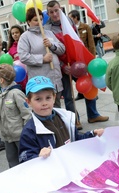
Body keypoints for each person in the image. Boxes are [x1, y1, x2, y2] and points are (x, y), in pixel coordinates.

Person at [44, 0, 109, 129]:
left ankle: (93, 115)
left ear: (60, 9)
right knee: (68, 95)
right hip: (64, 67)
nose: (54, 14)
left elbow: (77, 40)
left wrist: (82, 58)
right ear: (48, 13)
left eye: (56, 10)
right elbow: (52, 50)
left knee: (88, 87)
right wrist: (63, 66)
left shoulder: (68, 21)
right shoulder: (47, 28)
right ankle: (75, 120)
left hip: (78, 63)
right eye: (51, 12)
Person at [19, 76, 104, 163]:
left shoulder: (65, 118)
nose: (44, 103)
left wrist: (92, 134)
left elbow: (75, 138)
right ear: (28, 102)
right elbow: (24, 158)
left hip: (69, 165)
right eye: (38, 99)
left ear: (54, 97)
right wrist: (38, 156)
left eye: (48, 98)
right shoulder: (30, 130)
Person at [18, 8, 65, 108]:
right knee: (45, 109)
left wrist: (52, 45)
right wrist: (42, 59)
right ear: (28, 21)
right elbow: (23, 57)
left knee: (57, 108)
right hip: (41, 82)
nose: (39, 22)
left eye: (40, 19)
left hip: (55, 80)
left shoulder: (49, 33)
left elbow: (62, 49)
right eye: (36, 20)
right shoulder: (25, 37)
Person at [0, 64, 32, 168]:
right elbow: (1, 113)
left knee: (25, 160)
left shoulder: (16, 93)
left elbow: (27, 113)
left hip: (20, 136)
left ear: (1, 80)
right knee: (12, 160)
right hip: (7, 136)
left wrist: (27, 134)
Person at [68, 10, 97, 104]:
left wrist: (92, 57)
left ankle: (92, 93)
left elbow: (91, 42)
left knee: (88, 75)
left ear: (76, 18)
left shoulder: (85, 27)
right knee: (77, 76)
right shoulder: (69, 28)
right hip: (76, 58)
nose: (69, 19)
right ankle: (81, 93)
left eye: (71, 17)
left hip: (85, 56)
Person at [7, 25, 28, 92]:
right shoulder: (11, 49)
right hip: (19, 76)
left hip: (29, 73)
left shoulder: (26, 43)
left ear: (21, 33)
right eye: (13, 33)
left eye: (16, 32)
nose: (15, 35)